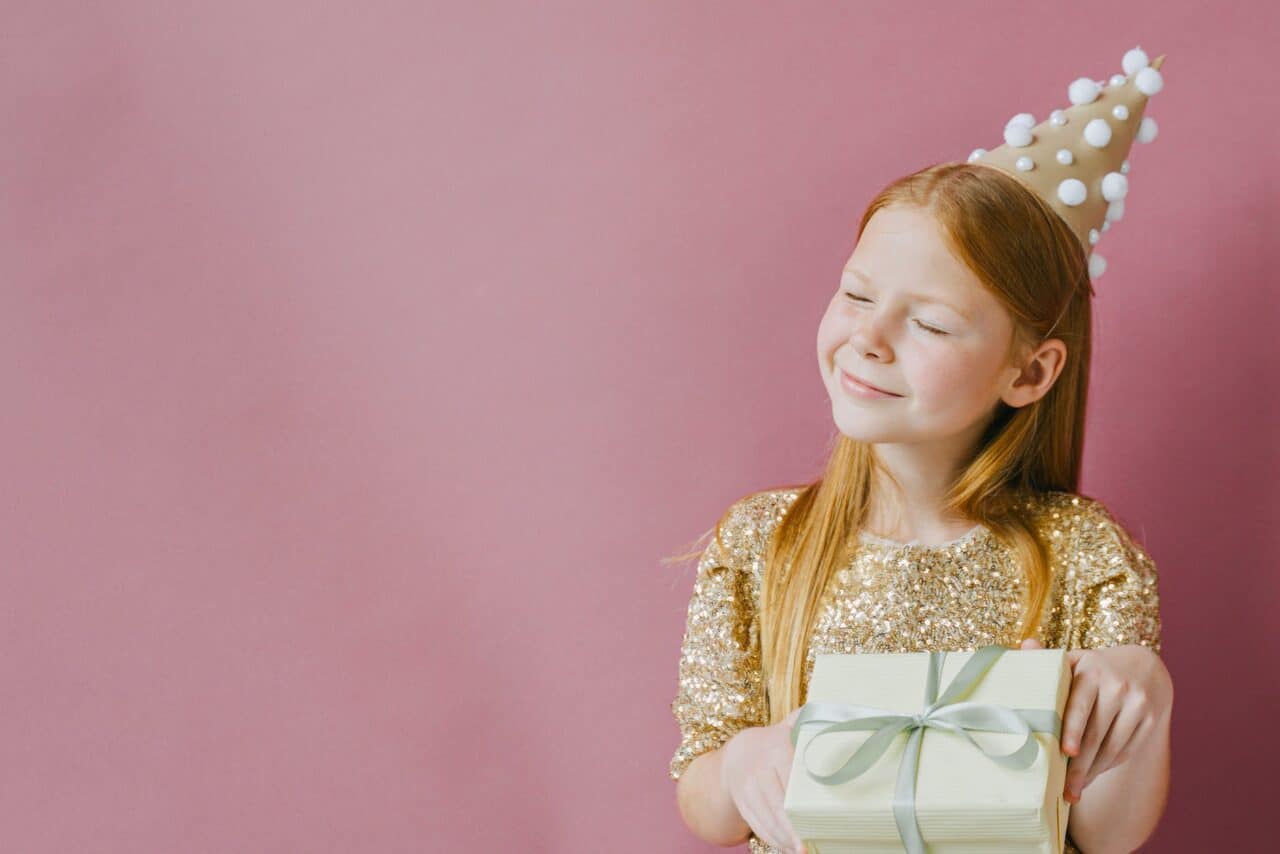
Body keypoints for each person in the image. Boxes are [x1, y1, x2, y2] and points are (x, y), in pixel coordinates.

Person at [667, 47, 1173, 854]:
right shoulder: (760, 545)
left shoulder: (1085, 554)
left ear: (1030, 371)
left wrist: (1146, 694)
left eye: (930, 323)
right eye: (857, 295)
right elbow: (704, 788)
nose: (866, 338)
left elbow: (1105, 835)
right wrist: (739, 767)